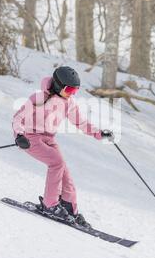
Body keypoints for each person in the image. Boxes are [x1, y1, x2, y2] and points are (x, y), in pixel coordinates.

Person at [12, 66, 113, 227]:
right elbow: (18, 118)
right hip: (31, 138)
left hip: (49, 139)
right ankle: (50, 205)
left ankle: (69, 207)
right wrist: (19, 135)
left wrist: (99, 133)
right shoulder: (38, 98)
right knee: (56, 163)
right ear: (59, 86)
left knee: (65, 173)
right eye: (70, 89)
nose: (72, 94)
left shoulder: (69, 103)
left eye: (75, 90)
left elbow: (81, 122)